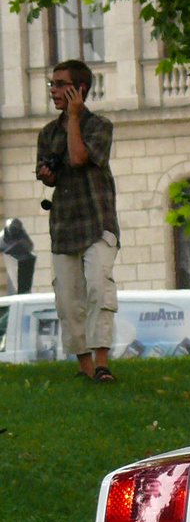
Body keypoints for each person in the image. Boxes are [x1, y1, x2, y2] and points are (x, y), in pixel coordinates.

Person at [37, 59, 120, 381]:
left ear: (79, 89)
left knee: (99, 288)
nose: (53, 90)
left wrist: (73, 117)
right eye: (52, 85)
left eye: (60, 84)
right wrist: (47, 175)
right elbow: (52, 173)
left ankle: (102, 364)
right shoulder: (47, 133)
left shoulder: (99, 126)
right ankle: (84, 368)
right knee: (68, 299)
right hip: (63, 226)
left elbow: (79, 157)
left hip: (97, 223)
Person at [1, 218, 36, 295]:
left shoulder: (22, 236)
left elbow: (30, 246)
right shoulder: (2, 238)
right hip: (14, 255)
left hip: (23, 258)